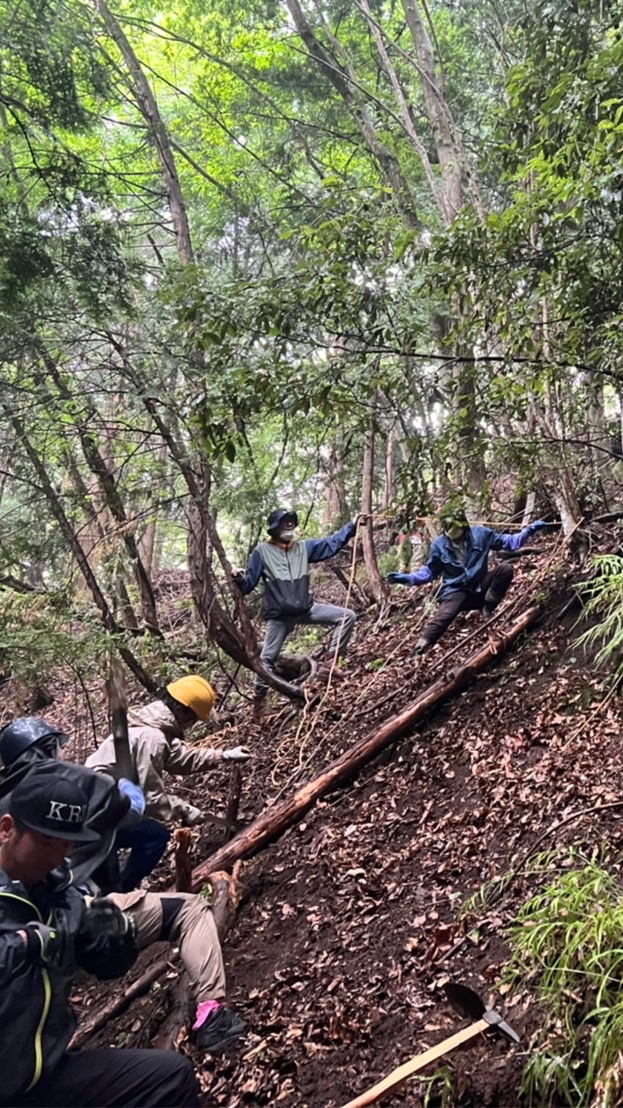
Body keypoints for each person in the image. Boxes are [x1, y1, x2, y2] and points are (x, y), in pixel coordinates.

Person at [0, 716, 247, 1054]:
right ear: (46, 748)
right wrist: (130, 792)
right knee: (189, 909)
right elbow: (130, 810)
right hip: (74, 921)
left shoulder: (6, 801)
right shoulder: (68, 783)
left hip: (28, 948)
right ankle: (212, 1016)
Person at [0, 761, 200, 1107]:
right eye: (45, 842)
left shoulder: (62, 892)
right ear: (7, 829)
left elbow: (109, 968)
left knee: (171, 1077)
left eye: (65, 845)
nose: (56, 856)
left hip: (44, 1078)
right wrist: (27, 944)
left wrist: (116, 936)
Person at [235, 508, 366, 716]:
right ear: (274, 529)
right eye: (284, 524)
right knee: (267, 658)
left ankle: (329, 666)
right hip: (280, 615)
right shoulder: (262, 552)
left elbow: (331, 544)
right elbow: (248, 585)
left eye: (291, 524)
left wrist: (352, 526)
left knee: (347, 616)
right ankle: (259, 704)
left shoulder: (304, 548)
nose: (289, 528)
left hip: (306, 608)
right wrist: (238, 579)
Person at [0, 716, 152, 891]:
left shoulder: (5, 789)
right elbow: (129, 813)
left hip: (20, 892)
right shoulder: (75, 777)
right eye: (60, 747)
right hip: (74, 885)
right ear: (50, 747)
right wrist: (129, 788)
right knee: (154, 834)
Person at [86, 675, 250, 828]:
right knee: (152, 839)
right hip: (98, 805)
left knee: (151, 836)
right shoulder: (152, 738)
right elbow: (150, 797)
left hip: (104, 799)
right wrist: (184, 811)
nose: (192, 724)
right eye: (193, 719)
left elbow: (179, 758)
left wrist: (224, 755)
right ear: (179, 709)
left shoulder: (152, 725)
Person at [386, 504, 548, 654]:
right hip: (456, 591)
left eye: (454, 528)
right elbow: (429, 572)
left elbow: (510, 543)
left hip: (480, 587)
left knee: (505, 570)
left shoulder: (481, 534)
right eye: (447, 528)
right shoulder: (439, 545)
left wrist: (529, 530)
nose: (452, 534)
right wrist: (407, 578)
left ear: (463, 525)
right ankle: (421, 647)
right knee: (445, 615)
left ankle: (487, 606)